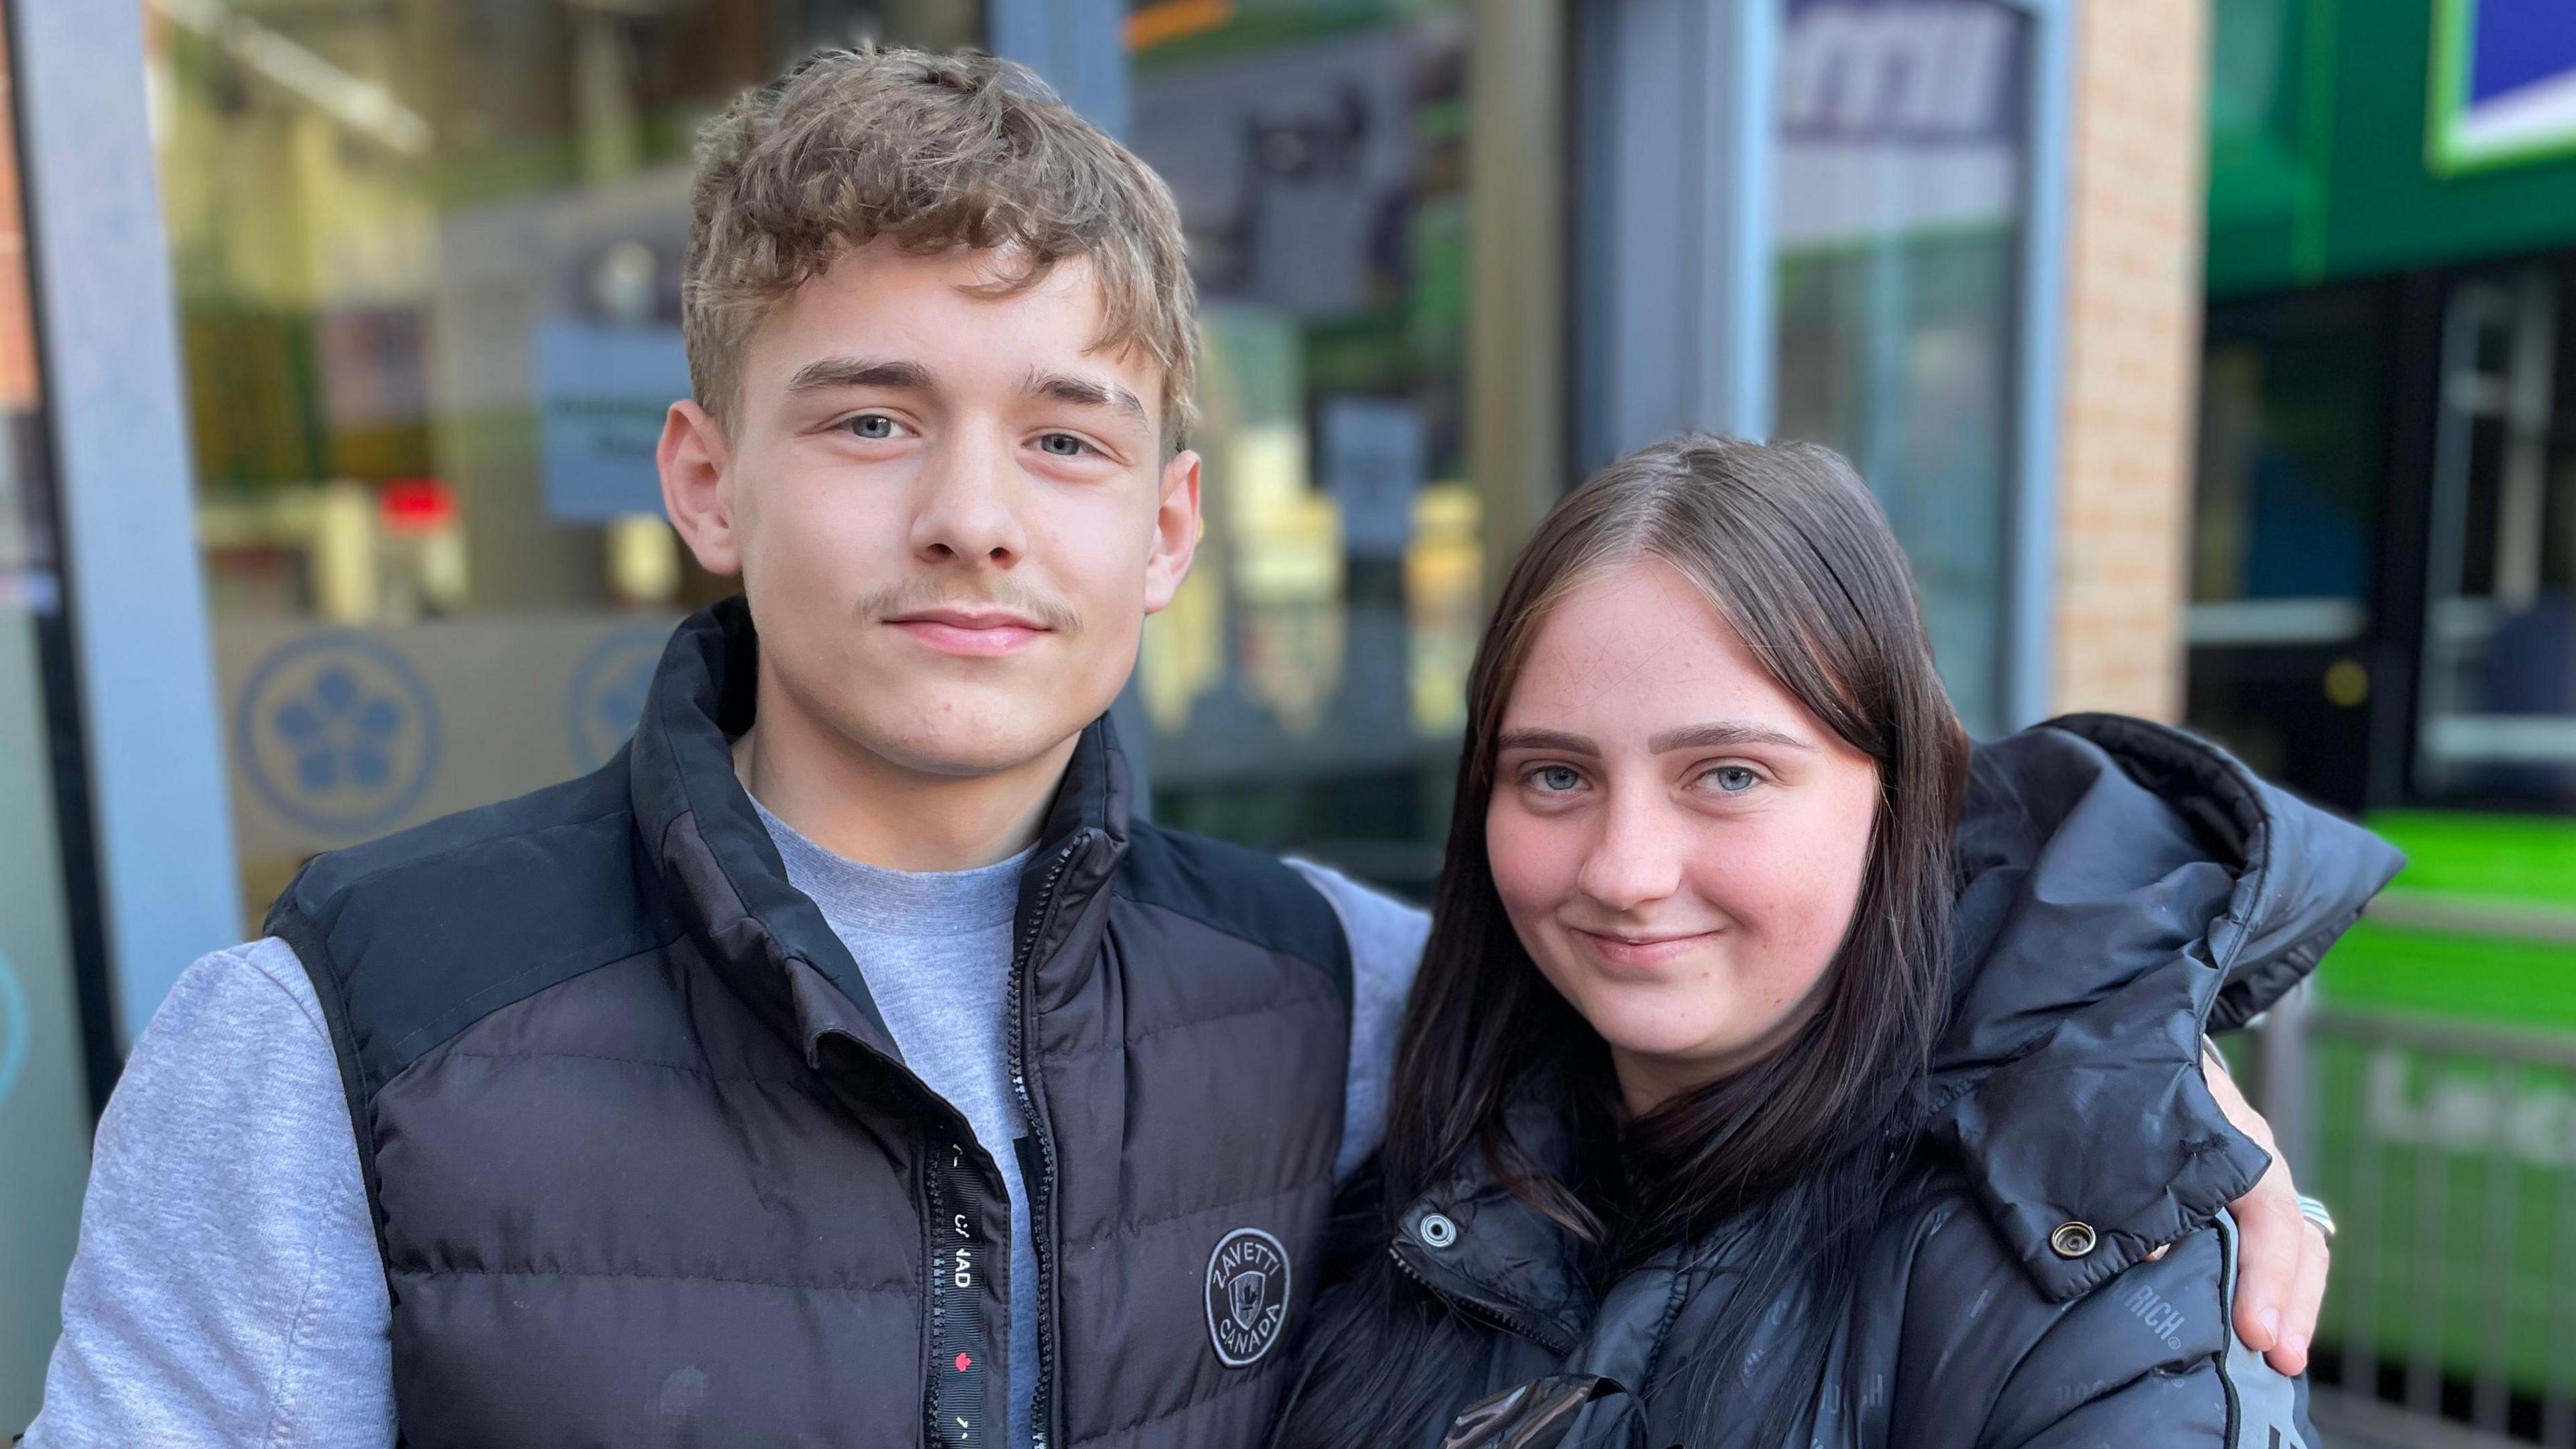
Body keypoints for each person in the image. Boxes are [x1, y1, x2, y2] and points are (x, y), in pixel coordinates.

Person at [23, 50, 2326, 1449]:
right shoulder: (349, 1034)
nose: (968, 514)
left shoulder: (1340, 992)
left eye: (1064, 433)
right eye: (868, 417)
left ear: (1168, 525)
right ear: (707, 480)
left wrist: (2150, 1115)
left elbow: (1807, 1007)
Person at [1270, 436, 2398, 1449]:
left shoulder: (2093, 1282)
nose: (1622, 871)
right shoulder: (1409, 1121)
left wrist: (2128, 1091)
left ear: (1900, 803)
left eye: (1728, 776)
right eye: (1555, 775)